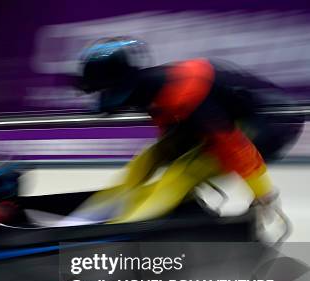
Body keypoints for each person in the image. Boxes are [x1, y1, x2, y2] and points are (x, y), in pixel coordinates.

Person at [69, 37, 304, 224]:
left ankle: (120, 231)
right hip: (233, 114)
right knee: (148, 158)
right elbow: (169, 139)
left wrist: (263, 194)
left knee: (183, 173)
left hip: (274, 124)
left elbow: (233, 147)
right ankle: (83, 222)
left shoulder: (185, 96)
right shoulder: (147, 90)